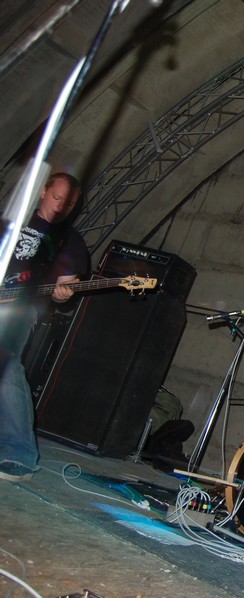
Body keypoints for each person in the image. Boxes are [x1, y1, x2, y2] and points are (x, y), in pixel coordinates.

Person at [0, 172, 90, 482]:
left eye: (69, 204)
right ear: (42, 192)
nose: (60, 206)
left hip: (21, 308)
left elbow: (64, 287)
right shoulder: (11, 221)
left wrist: (63, 293)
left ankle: (19, 452)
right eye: (56, 198)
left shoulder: (71, 242)